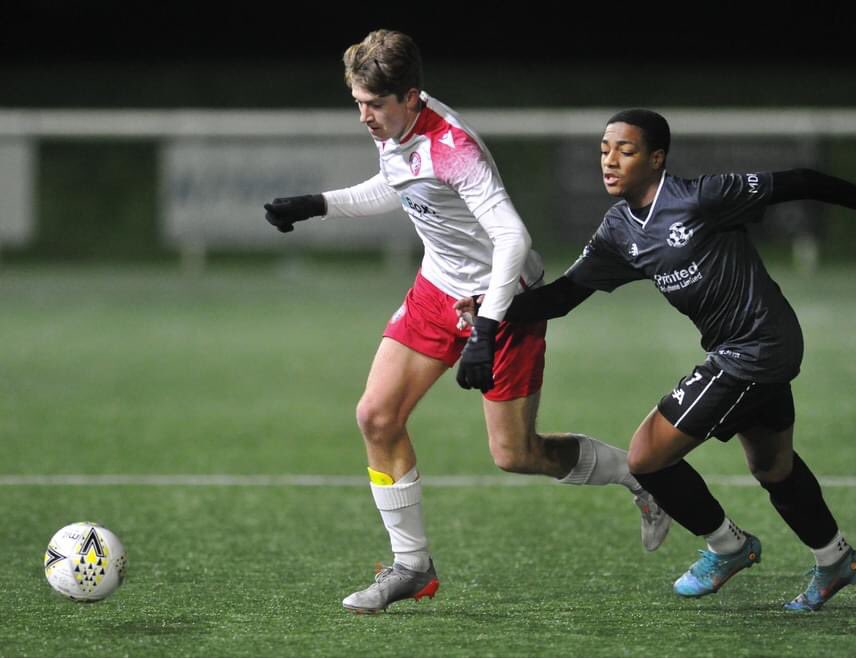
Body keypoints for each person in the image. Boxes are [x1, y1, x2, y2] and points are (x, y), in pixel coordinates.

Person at [262, 32, 671, 614]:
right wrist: (318, 204)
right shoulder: (397, 131)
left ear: (410, 95)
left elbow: (512, 238)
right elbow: (400, 184)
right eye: (358, 103)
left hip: (502, 299)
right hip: (438, 289)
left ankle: (639, 478)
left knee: (516, 453)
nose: (365, 117)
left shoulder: (453, 146)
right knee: (376, 416)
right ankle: (411, 567)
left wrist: (486, 328)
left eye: (375, 104)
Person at [456, 108, 856, 611]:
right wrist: (495, 307)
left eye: (626, 151)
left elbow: (803, 180)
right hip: (750, 350)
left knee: (645, 457)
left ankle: (729, 547)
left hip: (754, 348)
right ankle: (836, 560)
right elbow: (565, 296)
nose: (610, 161)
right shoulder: (620, 228)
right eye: (604, 150)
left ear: (657, 159)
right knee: (772, 466)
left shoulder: (701, 198)